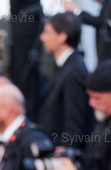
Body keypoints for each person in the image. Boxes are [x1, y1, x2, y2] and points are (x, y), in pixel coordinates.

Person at [38, 12, 92, 148]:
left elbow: (74, 124)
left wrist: (65, 153)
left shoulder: (74, 71)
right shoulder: (64, 66)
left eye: (47, 32)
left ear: (62, 37)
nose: (42, 37)